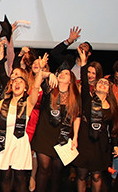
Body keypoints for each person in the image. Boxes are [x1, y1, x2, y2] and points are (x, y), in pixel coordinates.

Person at [0, 60, 56, 192]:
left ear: (25, 88)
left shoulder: (28, 102)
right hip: (4, 141)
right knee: (5, 177)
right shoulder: (3, 102)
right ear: (11, 86)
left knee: (20, 177)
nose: (17, 84)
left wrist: (44, 72)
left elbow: (36, 86)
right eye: (15, 82)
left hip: (20, 142)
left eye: (20, 82)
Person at [74, 48, 118, 192]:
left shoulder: (112, 107)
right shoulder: (88, 99)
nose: (102, 84)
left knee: (96, 177)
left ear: (108, 90)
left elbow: (113, 128)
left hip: (100, 145)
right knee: (81, 175)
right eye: (100, 83)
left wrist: (115, 145)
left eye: (105, 84)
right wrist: (84, 62)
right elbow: (85, 78)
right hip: (84, 141)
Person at [31, 64, 81, 192]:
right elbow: (39, 76)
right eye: (61, 72)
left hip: (61, 137)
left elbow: (77, 117)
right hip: (44, 134)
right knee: (44, 167)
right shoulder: (50, 89)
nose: (62, 74)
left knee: (57, 171)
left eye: (66, 73)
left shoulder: (75, 96)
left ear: (71, 80)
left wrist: (75, 137)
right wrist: (49, 74)